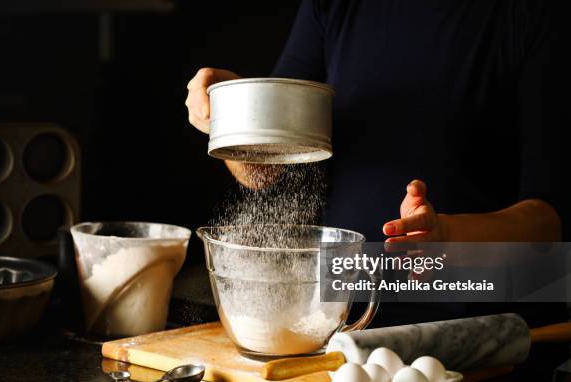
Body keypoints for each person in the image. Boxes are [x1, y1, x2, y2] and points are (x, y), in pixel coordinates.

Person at [185, 1, 567, 326]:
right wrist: (237, 116)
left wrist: (444, 238)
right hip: (343, 317)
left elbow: (551, 221)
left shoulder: (535, 12)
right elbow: (263, 171)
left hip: (483, 318)